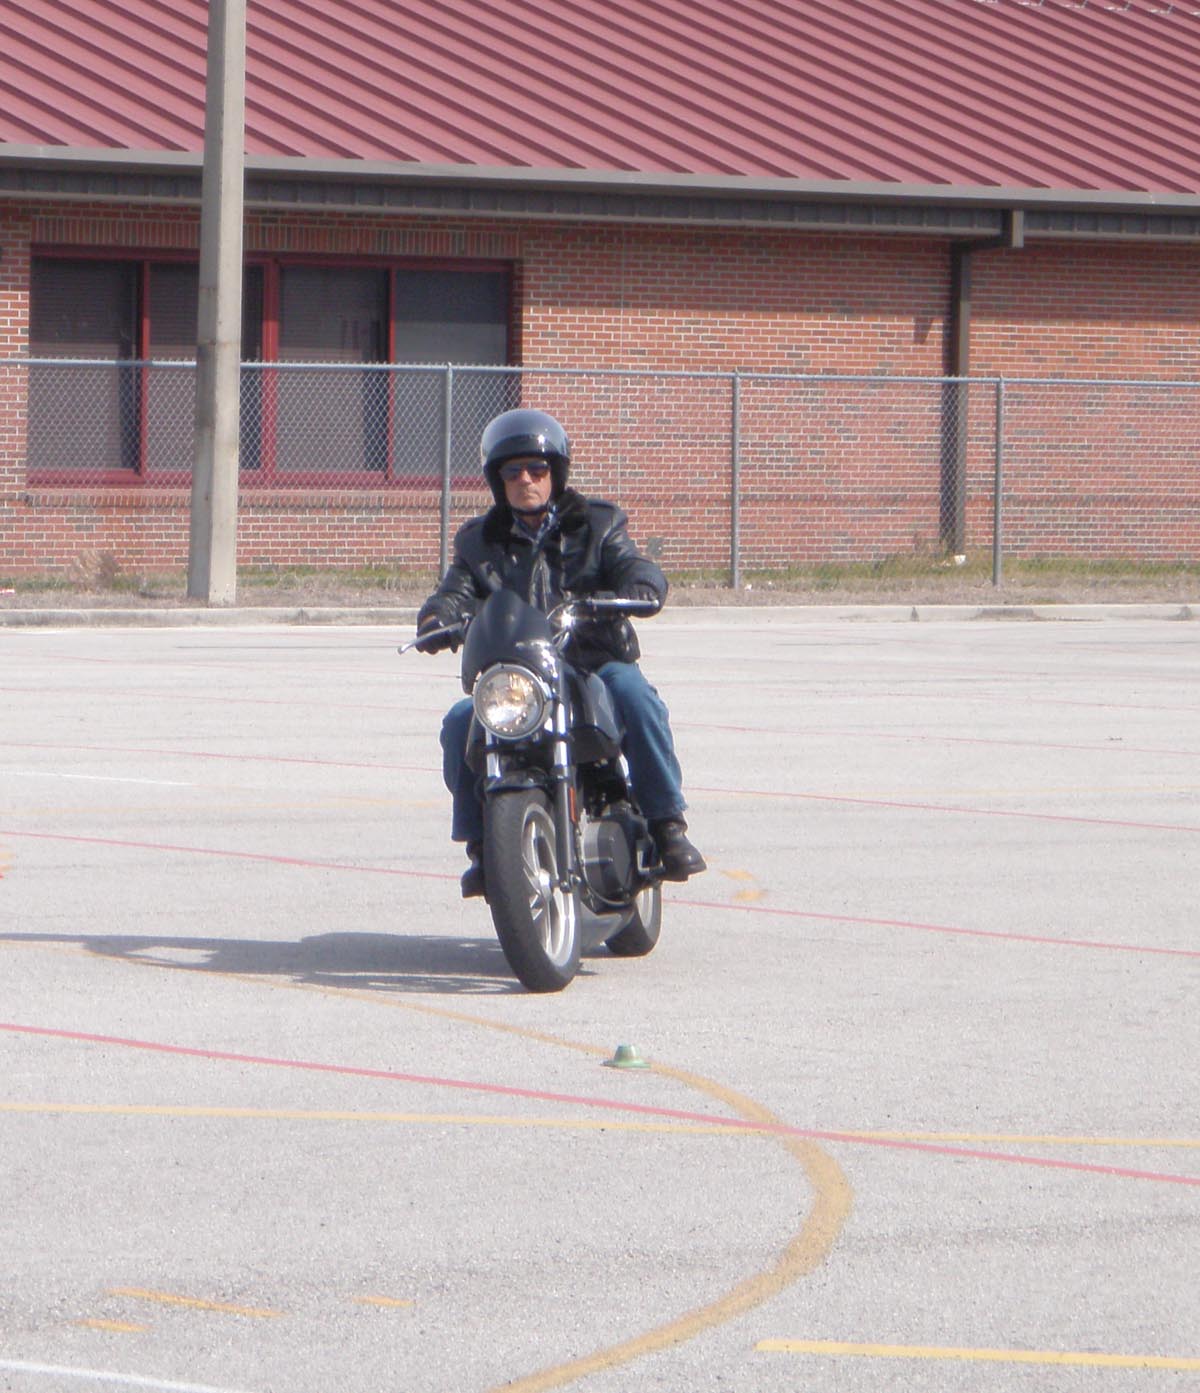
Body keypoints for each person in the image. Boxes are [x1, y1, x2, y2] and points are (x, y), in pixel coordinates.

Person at [415, 407, 706, 899]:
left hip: (593, 662)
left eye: (536, 469)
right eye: (513, 471)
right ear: (497, 480)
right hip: (521, 672)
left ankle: (667, 825)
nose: (525, 480)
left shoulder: (598, 523)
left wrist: (641, 584)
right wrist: (436, 620)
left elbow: (630, 562)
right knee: (461, 721)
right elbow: (454, 593)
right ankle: (484, 847)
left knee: (635, 695)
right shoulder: (478, 542)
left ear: (556, 473)